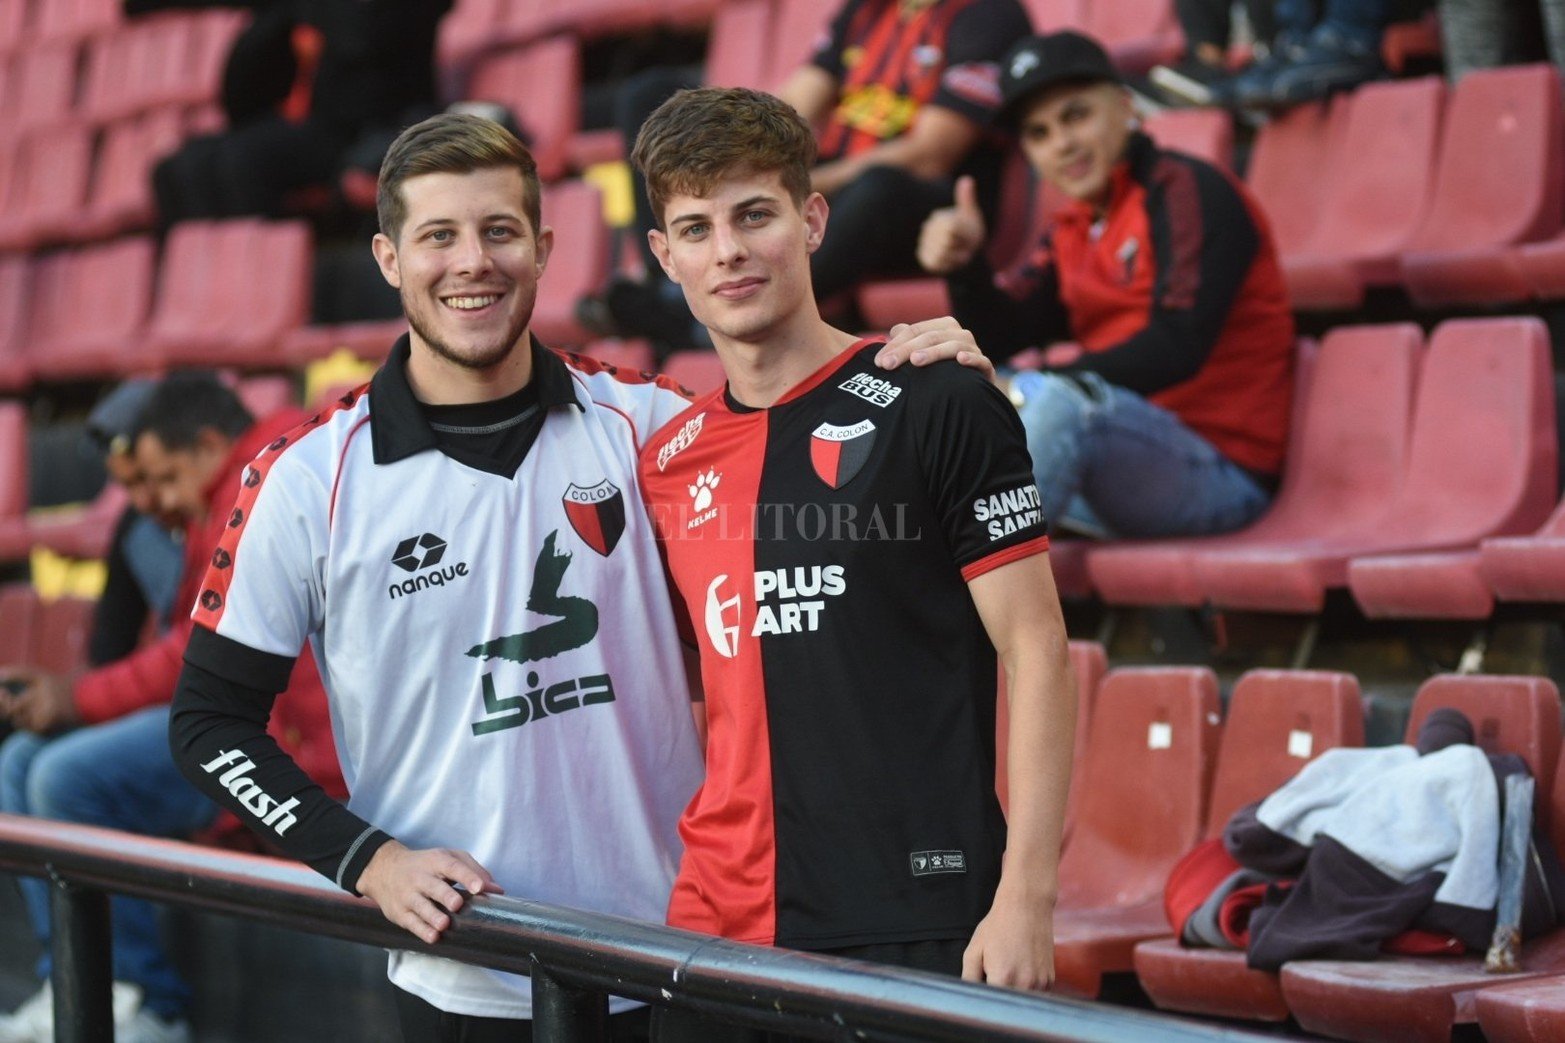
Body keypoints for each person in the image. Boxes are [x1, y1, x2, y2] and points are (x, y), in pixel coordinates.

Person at [164, 109, 986, 1041]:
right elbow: (208, 724)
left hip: (680, 958)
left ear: (545, 249)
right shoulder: (309, 476)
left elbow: (826, 473)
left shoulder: (650, 426)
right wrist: (368, 860)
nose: (472, 260)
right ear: (390, 259)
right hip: (465, 975)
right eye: (439, 236)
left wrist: (930, 371)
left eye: (499, 231)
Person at [629, 86, 1076, 1041]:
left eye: (755, 215)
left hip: (912, 918)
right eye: (696, 229)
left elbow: (1037, 648)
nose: (730, 251)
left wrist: (1025, 896)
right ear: (666, 257)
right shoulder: (666, 461)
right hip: (714, 928)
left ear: (812, 218)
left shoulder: (935, 397)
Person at [0, 373, 342, 1043]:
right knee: (16, 766)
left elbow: (201, 646)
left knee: (65, 779)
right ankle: (70, 978)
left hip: (272, 743)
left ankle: (141, 1000)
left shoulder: (268, 472)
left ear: (208, 442)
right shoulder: (219, 492)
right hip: (240, 719)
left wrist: (78, 699)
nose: (146, 503)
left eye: (156, 479)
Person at [918, 31, 1296, 541]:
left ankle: (953, 602)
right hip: (1111, 463)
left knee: (1054, 399)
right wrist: (965, 267)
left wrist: (1037, 384)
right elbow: (1002, 334)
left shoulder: (1188, 190)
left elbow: (1178, 346)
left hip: (1219, 472)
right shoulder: (1075, 224)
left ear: (1125, 107)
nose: (1062, 144)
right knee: (944, 389)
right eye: (1039, 133)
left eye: (1075, 116)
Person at [584, 0, 1033, 357]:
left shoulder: (988, 14)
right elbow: (788, 108)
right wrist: (737, 155)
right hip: (837, 195)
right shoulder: (864, 12)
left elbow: (932, 153)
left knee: (881, 186)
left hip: (931, 210)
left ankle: (706, 323)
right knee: (648, 95)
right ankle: (671, 287)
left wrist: (800, 184)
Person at [145, 0, 452, 226]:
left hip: (382, 125)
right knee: (180, 169)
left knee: (243, 164)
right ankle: (205, 281)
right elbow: (248, 74)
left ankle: (272, 271)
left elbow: (361, 37)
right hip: (324, 124)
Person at [82, 379, 184, 666]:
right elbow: (110, 648)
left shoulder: (235, 506)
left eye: (146, 478)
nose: (142, 501)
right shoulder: (137, 529)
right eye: (127, 486)